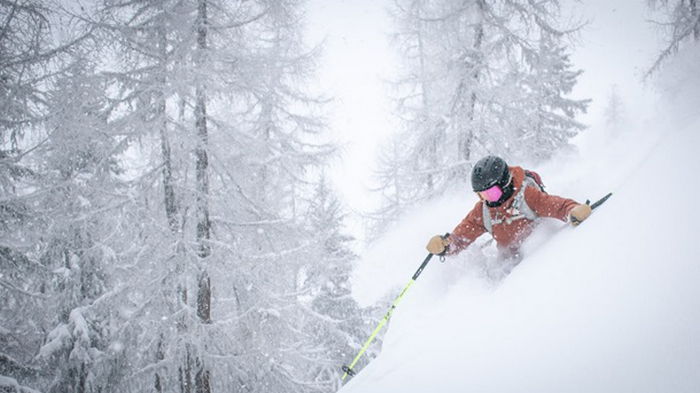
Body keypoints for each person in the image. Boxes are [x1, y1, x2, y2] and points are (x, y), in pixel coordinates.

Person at [426, 155, 592, 262]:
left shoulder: (527, 196)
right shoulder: (483, 211)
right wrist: (445, 245)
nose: (487, 200)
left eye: (491, 193)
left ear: (505, 184)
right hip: (508, 264)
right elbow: (461, 238)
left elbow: (557, 206)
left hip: (537, 258)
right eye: (481, 195)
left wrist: (573, 210)